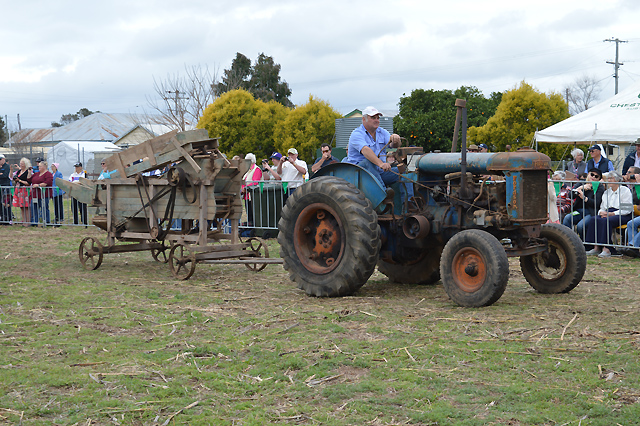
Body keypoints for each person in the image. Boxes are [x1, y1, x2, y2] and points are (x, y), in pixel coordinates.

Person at [343, 106, 414, 205]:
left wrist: (395, 140)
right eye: (373, 118)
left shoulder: (382, 132)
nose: (377, 120)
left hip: (379, 173)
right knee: (367, 162)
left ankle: (409, 203)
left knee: (403, 170)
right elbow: (365, 150)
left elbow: (393, 145)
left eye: (378, 118)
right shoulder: (357, 134)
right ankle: (384, 195)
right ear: (364, 119)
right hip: (359, 174)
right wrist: (381, 164)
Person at [584, 171, 633, 258]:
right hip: (608, 213)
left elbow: (627, 209)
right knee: (594, 219)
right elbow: (602, 207)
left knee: (606, 221)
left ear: (617, 180)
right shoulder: (607, 192)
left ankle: (607, 248)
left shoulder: (625, 190)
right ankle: (595, 247)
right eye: (608, 178)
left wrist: (612, 213)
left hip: (622, 214)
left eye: (611, 178)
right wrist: (601, 212)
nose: (609, 180)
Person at [562, 168, 604, 238]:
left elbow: (596, 203)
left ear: (599, 179)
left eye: (596, 176)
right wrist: (581, 188)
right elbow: (570, 195)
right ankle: (569, 240)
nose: (593, 177)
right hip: (579, 211)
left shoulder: (600, 187)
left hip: (591, 212)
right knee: (567, 218)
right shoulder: (581, 183)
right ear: (588, 174)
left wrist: (585, 198)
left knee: (581, 226)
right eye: (592, 174)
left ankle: (584, 242)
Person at [241, 153, 263, 226]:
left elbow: (255, 182)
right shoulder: (248, 171)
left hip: (253, 196)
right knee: (249, 214)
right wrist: (243, 188)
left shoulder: (257, 169)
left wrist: (245, 188)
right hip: (247, 196)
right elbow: (244, 181)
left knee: (253, 214)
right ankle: (250, 226)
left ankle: (254, 227)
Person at [30, 160, 53, 225]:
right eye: (39, 166)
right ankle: (34, 222)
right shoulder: (36, 174)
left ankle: (46, 222)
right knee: (34, 208)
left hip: (44, 194)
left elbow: (47, 182)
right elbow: (29, 179)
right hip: (35, 194)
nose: (39, 167)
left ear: (44, 166)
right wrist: (29, 172)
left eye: (40, 166)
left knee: (44, 208)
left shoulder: (48, 174)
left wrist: (38, 185)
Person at [12, 158, 33, 226]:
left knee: (26, 207)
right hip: (18, 190)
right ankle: (24, 221)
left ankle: (28, 222)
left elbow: (28, 183)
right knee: (21, 207)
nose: (21, 165)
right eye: (20, 163)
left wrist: (20, 180)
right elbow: (12, 177)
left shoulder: (27, 172)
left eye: (22, 164)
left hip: (25, 190)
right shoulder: (19, 171)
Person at [0, 154, 12, 225]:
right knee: (1, 203)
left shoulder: (7, 166)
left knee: (6, 203)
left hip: (6, 187)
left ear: (3, 159)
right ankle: (2, 218)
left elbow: (5, 175)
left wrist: (1, 174)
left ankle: (8, 218)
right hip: (0, 187)